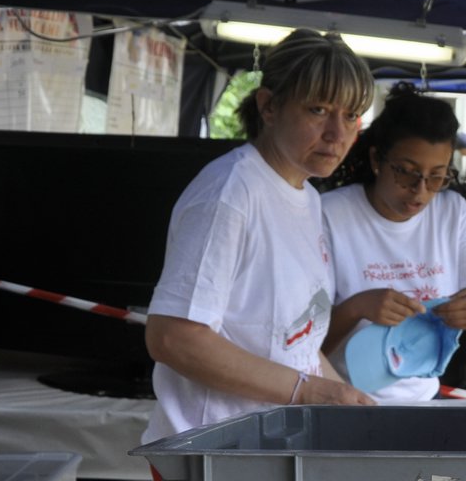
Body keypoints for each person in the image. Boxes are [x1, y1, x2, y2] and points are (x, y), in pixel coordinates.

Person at [143, 29, 378, 449]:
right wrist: (309, 391)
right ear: (268, 106)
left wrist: (348, 402)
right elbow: (173, 337)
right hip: (211, 452)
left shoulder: (307, 197)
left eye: (351, 115)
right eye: (318, 109)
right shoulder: (230, 194)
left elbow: (296, 341)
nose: (336, 133)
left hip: (267, 450)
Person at [321, 85, 466, 401]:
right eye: (407, 173)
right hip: (340, 399)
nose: (420, 191)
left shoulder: (453, 213)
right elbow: (296, 348)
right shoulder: (329, 215)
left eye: (437, 176)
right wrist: (356, 308)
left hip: (422, 402)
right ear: (376, 160)